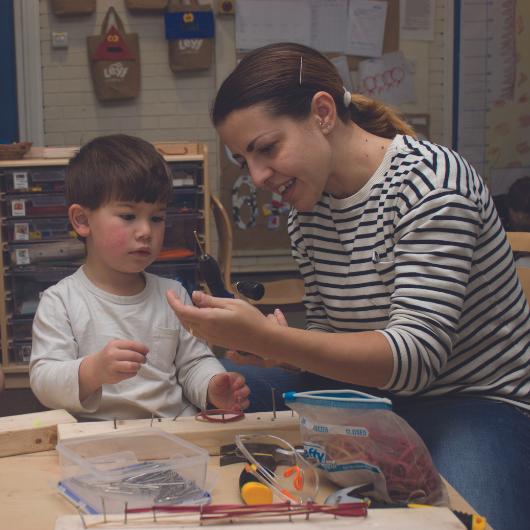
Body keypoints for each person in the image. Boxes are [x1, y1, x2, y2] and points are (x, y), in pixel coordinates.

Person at [166, 43, 530, 530]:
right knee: (218, 389)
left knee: (472, 522)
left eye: (267, 149)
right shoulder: (306, 209)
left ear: (322, 112)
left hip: (474, 401)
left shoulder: (433, 184)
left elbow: (415, 361)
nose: (257, 176)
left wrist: (272, 338)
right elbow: (327, 332)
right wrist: (279, 353)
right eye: (243, 161)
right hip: (370, 394)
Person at [30, 134, 249, 420]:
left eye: (156, 218)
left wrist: (212, 387)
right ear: (82, 221)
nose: (146, 231)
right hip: (96, 438)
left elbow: (194, 363)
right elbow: (44, 379)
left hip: (173, 430)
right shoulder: (60, 301)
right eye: (128, 216)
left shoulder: (173, 295)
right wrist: (92, 371)